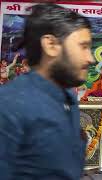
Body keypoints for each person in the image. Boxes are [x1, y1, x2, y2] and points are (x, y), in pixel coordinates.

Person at [0, 3, 95, 180]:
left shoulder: (69, 101)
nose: (90, 58)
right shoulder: (8, 105)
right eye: (83, 46)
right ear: (51, 45)